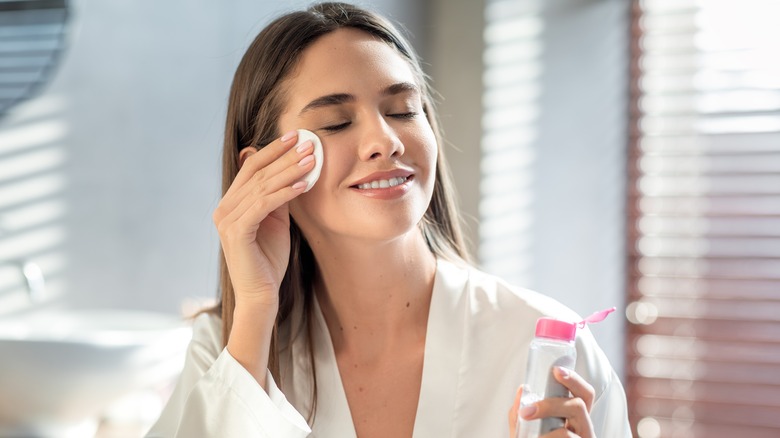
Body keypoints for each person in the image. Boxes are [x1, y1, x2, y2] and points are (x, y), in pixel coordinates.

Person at [147, 2, 631, 437]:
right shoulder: (227, 348)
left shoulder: (546, 349)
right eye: (336, 123)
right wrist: (254, 309)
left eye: (403, 110)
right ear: (263, 171)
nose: (386, 140)